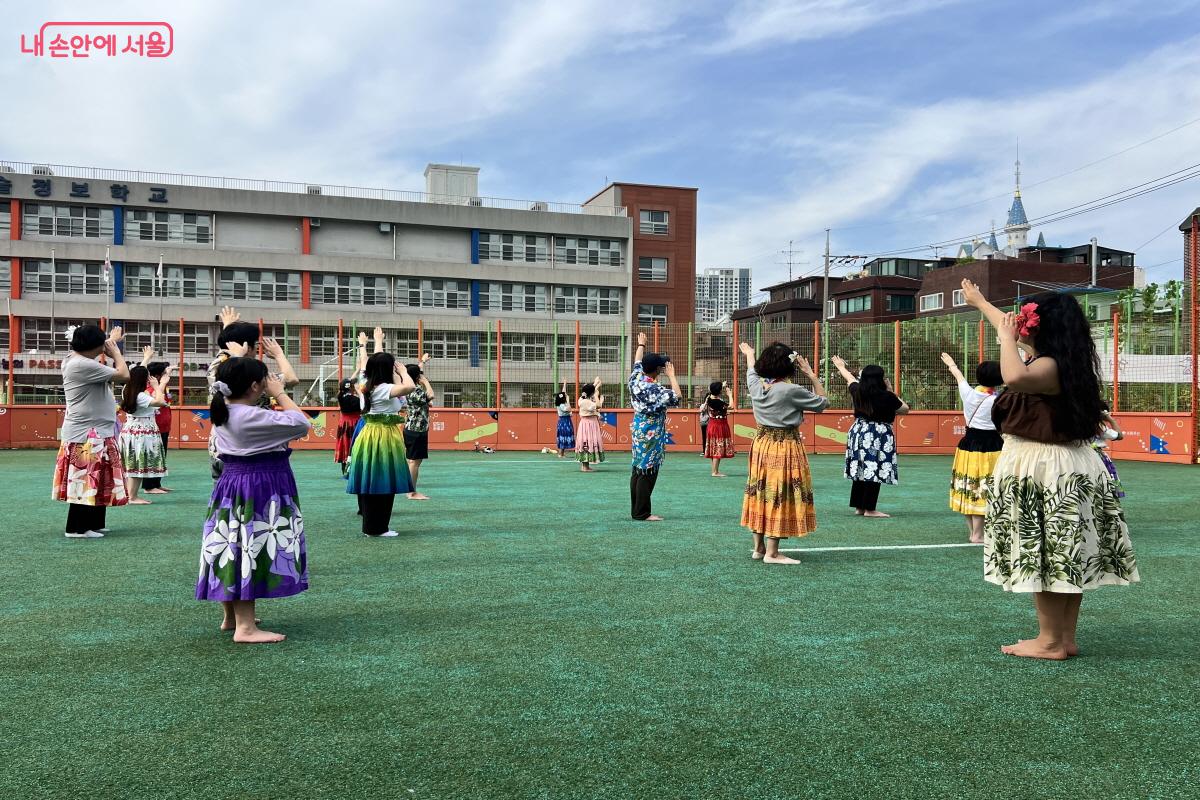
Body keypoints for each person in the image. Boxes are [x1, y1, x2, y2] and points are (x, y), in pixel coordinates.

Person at [962, 278, 1138, 660]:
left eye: (1026, 324)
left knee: (1046, 554)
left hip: (1044, 466)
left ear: (1040, 330)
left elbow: (1014, 377)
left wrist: (1007, 339)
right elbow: (1006, 326)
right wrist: (980, 301)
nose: (1019, 327)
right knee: (1065, 554)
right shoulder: (1067, 364)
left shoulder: (1045, 367)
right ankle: (1063, 638)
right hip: (1069, 463)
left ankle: (1048, 641)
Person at [196, 357, 311, 644]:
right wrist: (280, 394)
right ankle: (245, 628)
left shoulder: (225, 411)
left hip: (233, 484)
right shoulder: (250, 415)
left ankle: (232, 617)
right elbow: (301, 423)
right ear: (254, 385)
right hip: (259, 484)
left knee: (233, 546)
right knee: (250, 547)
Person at [739, 342, 830, 564]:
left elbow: (751, 368)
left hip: (761, 443)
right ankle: (772, 553)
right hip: (785, 444)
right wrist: (811, 374)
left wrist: (749, 354)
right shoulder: (790, 390)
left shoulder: (755, 384)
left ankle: (759, 548)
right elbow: (823, 403)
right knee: (780, 493)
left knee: (760, 490)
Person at [52, 324, 130, 538]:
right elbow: (124, 375)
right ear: (92, 346)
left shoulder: (78, 360)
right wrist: (116, 352)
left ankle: (93, 523)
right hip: (87, 433)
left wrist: (110, 343)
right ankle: (76, 527)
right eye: (101, 344)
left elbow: (99, 364)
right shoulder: (80, 365)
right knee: (85, 480)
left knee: (98, 478)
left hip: (95, 431)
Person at [207, 306, 299, 480]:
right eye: (255, 344)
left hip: (220, 442)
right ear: (246, 347)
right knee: (249, 492)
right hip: (251, 443)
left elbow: (226, 349)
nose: (257, 348)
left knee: (223, 493)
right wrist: (279, 355)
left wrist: (228, 329)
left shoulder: (215, 369)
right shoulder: (254, 376)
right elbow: (291, 378)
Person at [345, 348, 416, 537]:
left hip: (368, 434)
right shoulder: (384, 389)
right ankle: (379, 528)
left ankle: (371, 527)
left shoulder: (364, 385)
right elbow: (410, 387)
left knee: (372, 481)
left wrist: (365, 346)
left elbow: (363, 365)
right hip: (384, 437)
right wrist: (403, 372)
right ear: (386, 370)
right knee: (384, 482)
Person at [830, 356, 908, 518]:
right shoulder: (887, 396)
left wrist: (840, 367)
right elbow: (905, 409)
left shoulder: (857, 390)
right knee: (874, 468)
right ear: (881, 379)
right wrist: (890, 390)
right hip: (879, 434)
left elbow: (849, 378)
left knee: (860, 467)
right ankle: (870, 509)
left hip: (859, 431)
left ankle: (859, 507)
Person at [941, 352, 1004, 543]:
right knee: (984, 486)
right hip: (991, 446)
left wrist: (952, 364)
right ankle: (978, 534)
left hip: (968, 444)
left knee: (969, 485)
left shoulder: (969, 393)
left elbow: (958, 376)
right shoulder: (999, 400)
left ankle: (973, 532)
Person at [628, 331, 682, 521]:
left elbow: (637, 361)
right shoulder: (655, 388)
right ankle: (642, 513)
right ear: (656, 370)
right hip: (651, 432)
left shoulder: (635, 379)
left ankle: (636, 510)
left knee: (638, 468)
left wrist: (641, 344)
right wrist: (672, 376)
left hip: (638, 428)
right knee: (648, 470)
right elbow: (677, 397)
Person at [117, 363, 171, 505]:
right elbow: (160, 401)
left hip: (132, 430)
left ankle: (131, 495)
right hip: (142, 431)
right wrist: (160, 385)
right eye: (147, 377)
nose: (149, 379)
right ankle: (132, 497)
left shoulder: (127, 390)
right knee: (137, 465)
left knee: (134, 465)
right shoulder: (140, 395)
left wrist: (146, 359)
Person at [141, 359, 175, 494]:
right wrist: (161, 384)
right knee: (153, 456)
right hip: (154, 428)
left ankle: (156, 483)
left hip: (164, 427)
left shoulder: (161, 386)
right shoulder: (149, 389)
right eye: (163, 373)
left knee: (160, 456)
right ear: (157, 376)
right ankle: (149, 486)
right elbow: (157, 400)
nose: (166, 376)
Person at [404, 353, 434, 500]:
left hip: (411, 428)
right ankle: (411, 492)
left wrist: (422, 362)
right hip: (417, 429)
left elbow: (415, 372)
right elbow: (431, 395)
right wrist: (426, 382)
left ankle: (410, 490)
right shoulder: (415, 390)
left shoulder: (406, 387)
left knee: (412, 460)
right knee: (415, 462)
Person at [702, 380, 735, 477]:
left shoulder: (709, 398)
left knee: (714, 447)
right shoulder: (718, 402)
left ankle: (714, 470)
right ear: (720, 391)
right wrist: (730, 395)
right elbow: (731, 406)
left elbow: (719, 410)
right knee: (718, 447)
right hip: (719, 426)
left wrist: (722, 385)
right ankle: (715, 472)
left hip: (712, 424)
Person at [1093, 403, 1125, 498]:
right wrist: (1111, 420)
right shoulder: (1099, 426)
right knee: (1106, 481)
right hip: (1097, 457)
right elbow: (1119, 435)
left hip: (1080, 455)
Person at [575, 377, 605, 472]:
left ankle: (585, 465)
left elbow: (586, 392)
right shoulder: (587, 402)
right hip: (590, 424)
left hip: (585, 423)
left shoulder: (581, 399)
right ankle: (585, 467)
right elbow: (599, 405)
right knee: (589, 441)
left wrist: (596, 384)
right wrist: (597, 395)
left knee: (586, 442)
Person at [334, 377, 361, 478]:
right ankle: (354, 472)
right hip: (353, 424)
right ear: (352, 388)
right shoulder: (355, 400)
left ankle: (345, 471)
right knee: (354, 445)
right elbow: (364, 407)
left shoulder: (340, 396)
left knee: (345, 445)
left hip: (343, 423)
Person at [554, 382, 575, 458]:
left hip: (566, 421)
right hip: (564, 422)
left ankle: (561, 453)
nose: (565, 397)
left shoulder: (561, 403)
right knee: (564, 435)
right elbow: (569, 409)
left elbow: (563, 393)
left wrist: (565, 384)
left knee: (564, 435)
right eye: (564, 397)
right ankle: (560, 453)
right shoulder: (562, 405)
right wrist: (568, 400)